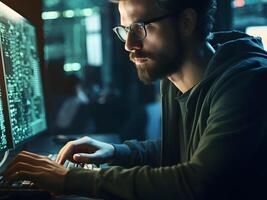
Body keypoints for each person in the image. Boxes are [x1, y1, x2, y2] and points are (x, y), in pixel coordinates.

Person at [3, 0, 267, 199]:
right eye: (125, 29)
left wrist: (71, 179)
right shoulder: (174, 80)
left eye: (140, 28)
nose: (129, 44)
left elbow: (196, 182)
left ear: (186, 22)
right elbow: (181, 151)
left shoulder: (248, 81)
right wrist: (118, 152)